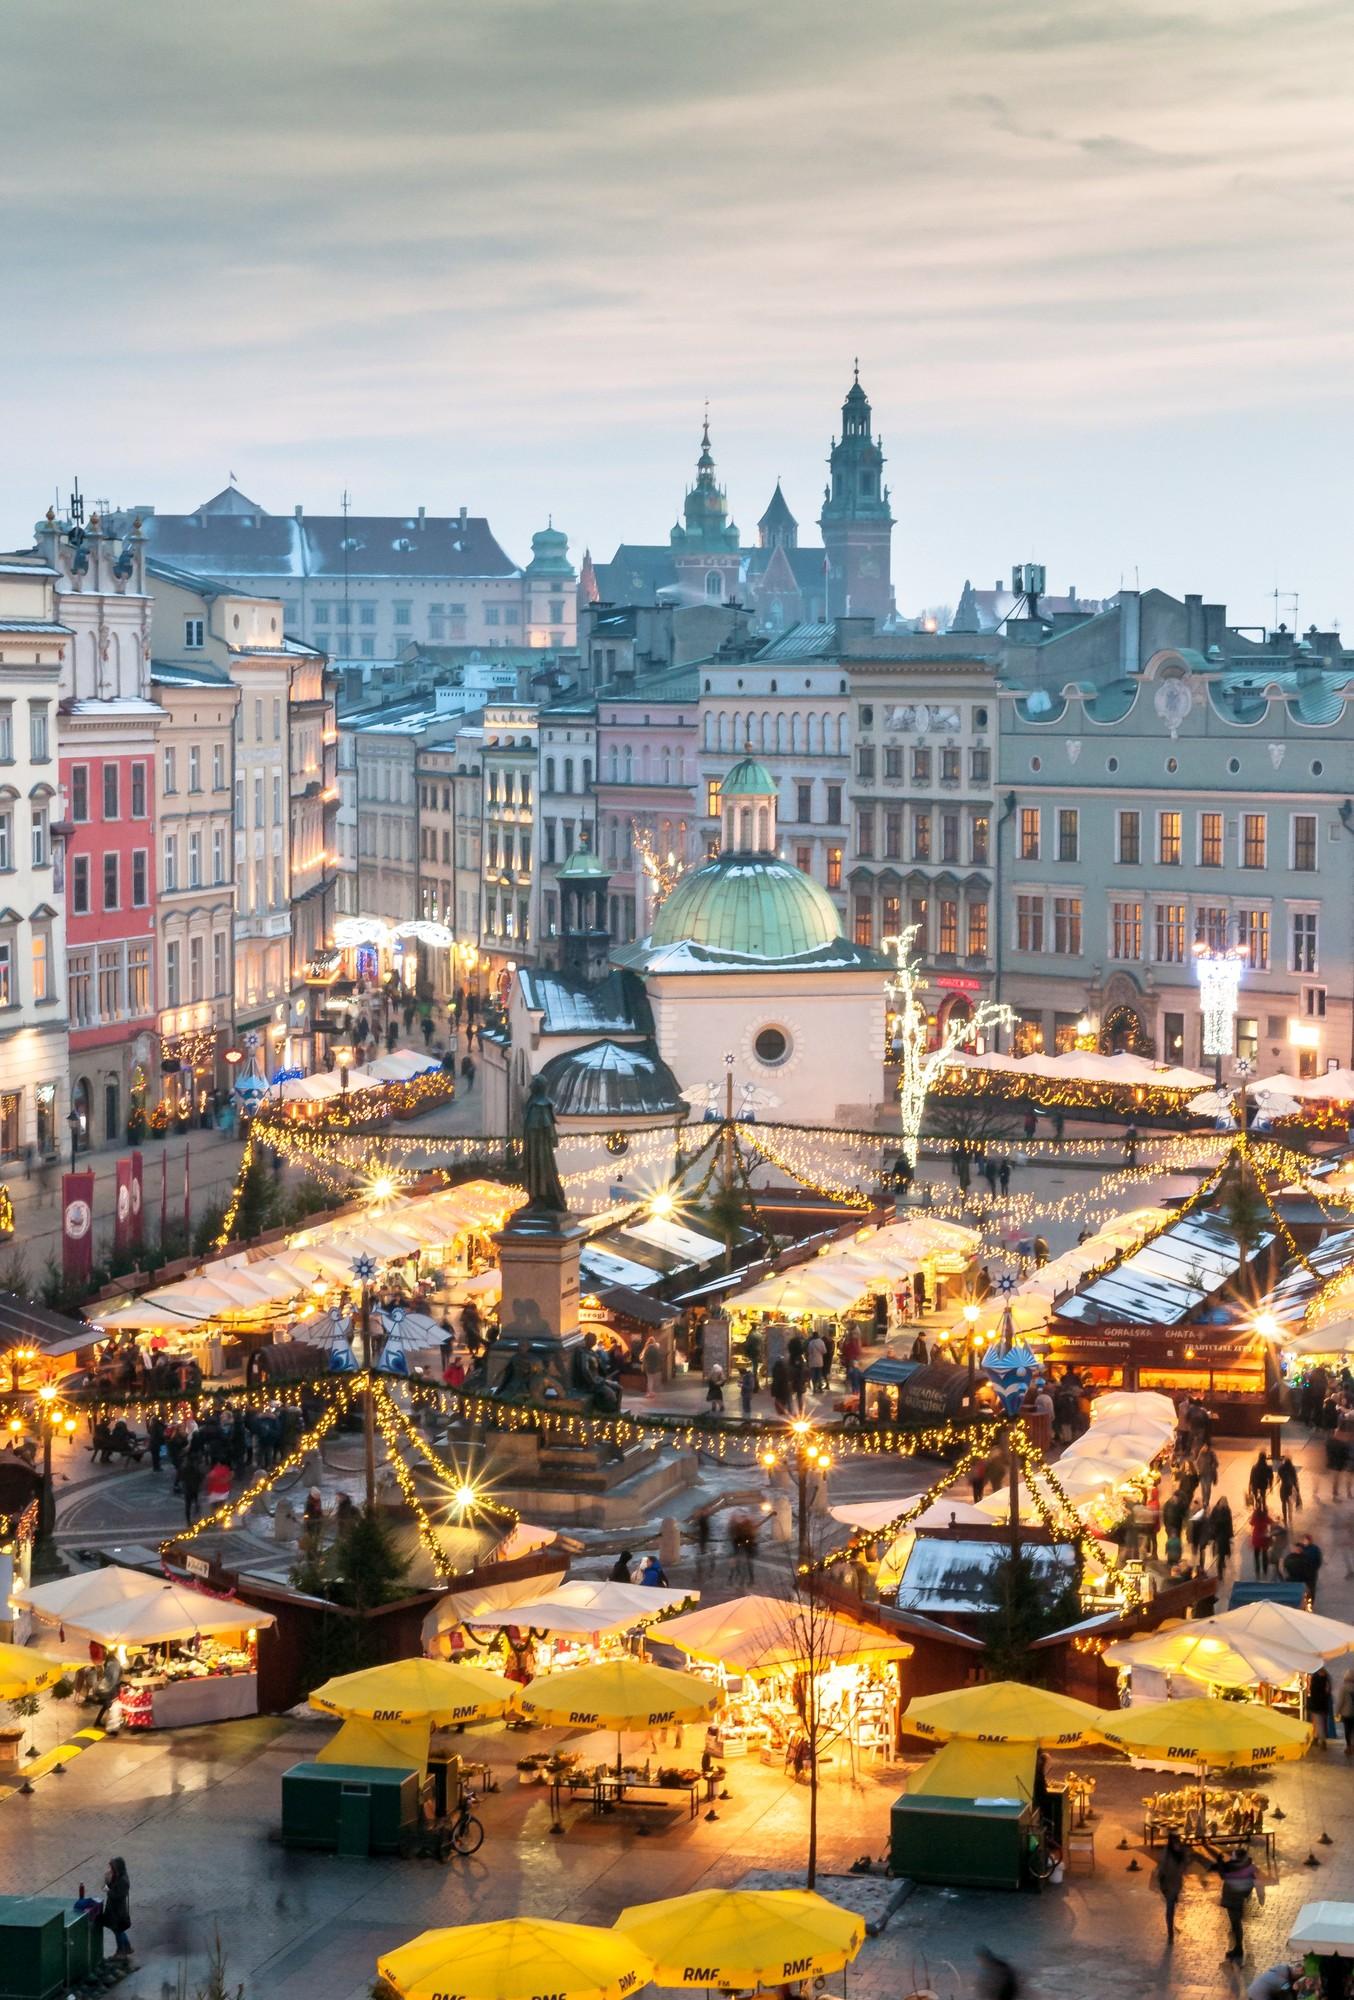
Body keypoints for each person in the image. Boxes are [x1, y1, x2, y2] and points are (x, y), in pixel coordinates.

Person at [1205, 1842, 1261, 1961]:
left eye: (1233, 1856)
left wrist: (1219, 1863)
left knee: (1236, 1925)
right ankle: (1237, 1948)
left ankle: (1238, 1950)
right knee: (1235, 1925)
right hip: (1235, 1900)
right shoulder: (1242, 1866)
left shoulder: (1238, 1869)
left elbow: (1224, 1875)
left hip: (1234, 1900)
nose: (1232, 1857)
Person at [1153, 1830, 1193, 1946]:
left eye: (1177, 1843)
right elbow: (1162, 1869)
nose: (1176, 1845)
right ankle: (1170, 1931)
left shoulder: (1181, 1853)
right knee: (1170, 1906)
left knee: (1172, 1904)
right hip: (1167, 1884)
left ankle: (1170, 1926)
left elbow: (1185, 1865)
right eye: (1175, 1843)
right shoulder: (1167, 1854)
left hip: (1176, 1884)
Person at [102, 1858, 132, 1962]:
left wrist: (108, 1891)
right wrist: (106, 1881)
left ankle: (121, 1951)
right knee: (118, 1929)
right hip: (113, 1909)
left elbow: (117, 1895)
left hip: (118, 1910)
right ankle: (127, 1947)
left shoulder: (123, 1880)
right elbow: (106, 1887)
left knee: (118, 1929)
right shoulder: (116, 1876)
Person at [1308, 1664, 1334, 1747]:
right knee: (1320, 1722)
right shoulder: (1327, 1677)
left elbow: (1312, 1690)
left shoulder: (1315, 1677)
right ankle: (1315, 1738)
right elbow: (1328, 1690)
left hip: (1316, 1704)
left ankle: (1322, 1741)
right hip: (1324, 1703)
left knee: (1318, 1723)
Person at [1210, 1493, 1234, 1575]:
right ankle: (1220, 1570)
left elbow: (1229, 1522)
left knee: (1222, 1552)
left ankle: (1221, 1564)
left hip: (1222, 1534)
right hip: (1219, 1534)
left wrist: (1230, 1533)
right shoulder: (1218, 1510)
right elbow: (1211, 1520)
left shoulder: (1226, 1510)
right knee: (1221, 1552)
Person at [1276, 1453, 1302, 1525]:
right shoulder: (1292, 1469)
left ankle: (1285, 1518)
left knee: (1283, 1503)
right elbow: (1295, 1480)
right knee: (1289, 1503)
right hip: (1289, 1488)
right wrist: (1297, 1491)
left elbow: (1278, 1477)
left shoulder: (1281, 1468)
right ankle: (1290, 1517)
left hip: (1283, 1487)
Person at [1249, 1503, 1273, 1577]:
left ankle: (1257, 1570)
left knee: (1256, 1555)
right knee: (1264, 1555)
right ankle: (1265, 1570)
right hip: (1264, 1538)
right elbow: (1271, 1522)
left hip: (1256, 1538)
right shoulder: (1265, 1516)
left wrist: (1253, 1514)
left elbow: (1251, 1523)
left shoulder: (1255, 1516)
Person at [1195, 1439, 1219, 1512]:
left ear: (1208, 1447)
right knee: (1203, 1489)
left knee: (1207, 1489)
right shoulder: (1201, 1453)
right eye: (1203, 1446)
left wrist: (1212, 1467)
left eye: (1205, 1446)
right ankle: (1204, 1501)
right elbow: (1197, 1462)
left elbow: (1216, 1463)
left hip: (1209, 1474)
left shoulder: (1212, 1453)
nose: (1204, 1448)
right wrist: (1198, 1470)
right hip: (1202, 1474)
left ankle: (1206, 1502)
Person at [640, 1335, 664, 1402]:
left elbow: (641, 1358)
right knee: (653, 1379)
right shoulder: (656, 1348)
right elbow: (660, 1358)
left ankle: (649, 1392)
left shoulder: (646, 1349)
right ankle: (652, 1392)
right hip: (655, 1367)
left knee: (649, 1380)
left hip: (648, 1367)